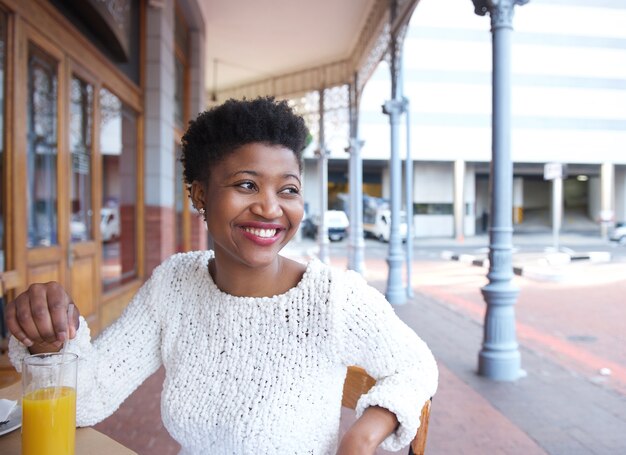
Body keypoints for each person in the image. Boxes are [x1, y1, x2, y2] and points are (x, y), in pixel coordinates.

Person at [6, 97, 438, 455]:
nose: (271, 208)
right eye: (247, 185)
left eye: (287, 189)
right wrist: (48, 339)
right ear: (199, 194)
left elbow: (416, 366)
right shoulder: (174, 286)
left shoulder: (332, 299)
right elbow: (88, 399)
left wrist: (362, 436)